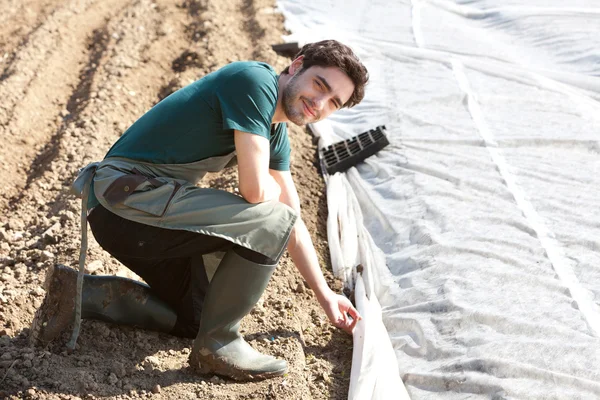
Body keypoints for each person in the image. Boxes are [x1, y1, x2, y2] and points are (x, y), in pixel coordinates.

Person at [30, 40, 369, 381]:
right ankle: (218, 345)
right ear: (296, 67)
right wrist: (270, 196)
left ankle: (81, 293)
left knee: (196, 316)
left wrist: (326, 296)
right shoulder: (255, 81)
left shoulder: (275, 131)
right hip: (123, 200)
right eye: (319, 85)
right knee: (269, 218)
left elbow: (291, 220)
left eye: (333, 102)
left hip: (136, 210)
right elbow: (256, 192)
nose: (320, 103)